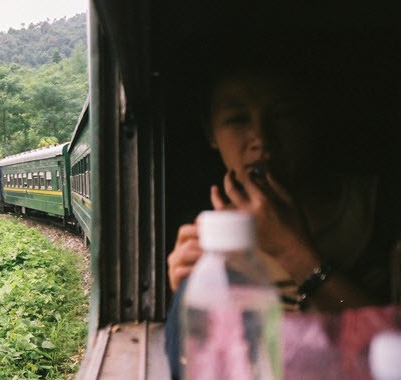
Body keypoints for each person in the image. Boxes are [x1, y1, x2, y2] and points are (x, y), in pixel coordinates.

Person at [163, 46, 401, 378]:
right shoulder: (208, 240)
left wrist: (295, 252)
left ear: (312, 118)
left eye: (285, 114)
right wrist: (189, 291)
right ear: (210, 133)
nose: (261, 138)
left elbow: (391, 346)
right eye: (237, 119)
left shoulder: (383, 208)